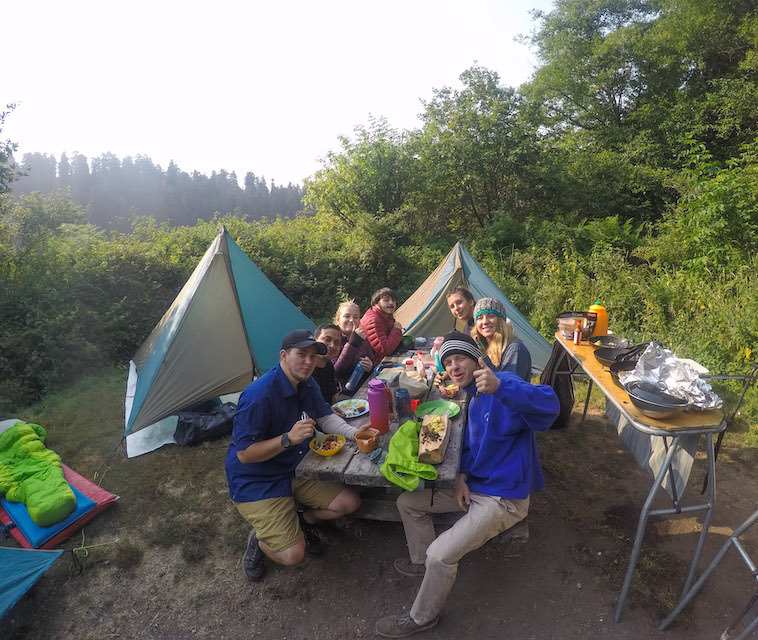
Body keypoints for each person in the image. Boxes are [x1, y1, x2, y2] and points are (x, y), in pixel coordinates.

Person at [375, 331, 559, 638]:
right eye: (448, 362)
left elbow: (551, 406)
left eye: (460, 358)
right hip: (475, 486)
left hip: (504, 498)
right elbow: (472, 446)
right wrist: (461, 477)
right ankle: (421, 563)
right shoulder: (472, 399)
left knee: (441, 554)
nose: (454, 367)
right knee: (407, 503)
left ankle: (421, 618)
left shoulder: (503, 385)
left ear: (478, 359)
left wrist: (501, 387)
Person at [225, 329, 371, 582]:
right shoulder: (258, 395)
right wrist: (287, 439)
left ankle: (304, 519)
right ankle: (260, 541)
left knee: (349, 503)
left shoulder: (307, 382)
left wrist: (355, 433)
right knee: (293, 555)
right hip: (257, 478)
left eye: (313, 357)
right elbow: (245, 454)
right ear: (283, 356)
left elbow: (324, 416)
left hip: (294, 466)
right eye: (301, 355)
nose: (308, 362)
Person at [471, 297, 532, 382]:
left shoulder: (515, 349)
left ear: (501, 321)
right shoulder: (483, 347)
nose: (485, 321)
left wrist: (484, 358)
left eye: (491, 316)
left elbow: (507, 388)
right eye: (480, 318)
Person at [332, 301, 373, 392]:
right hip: (343, 392)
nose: (351, 320)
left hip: (363, 387)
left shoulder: (363, 338)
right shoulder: (333, 340)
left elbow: (372, 360)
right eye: (347, 316)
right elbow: (337, 371)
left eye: (355, 317)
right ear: (338, 320)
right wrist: (353, 343)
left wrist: (370, 367)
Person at [360, 287, 403, 366]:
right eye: (386, 300)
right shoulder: (373, 321)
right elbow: (384, 349)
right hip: (372, 366)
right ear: (376, 303)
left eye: (393, 300)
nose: (391, 303)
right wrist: (396, 329)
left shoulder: (385, 316)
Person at [311, 323, 342, 404]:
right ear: (315, 341)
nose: (332, 345)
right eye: (327, 339)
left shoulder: (329, 365)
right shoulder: (307, 369)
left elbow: (333, 397)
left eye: (337, 343)